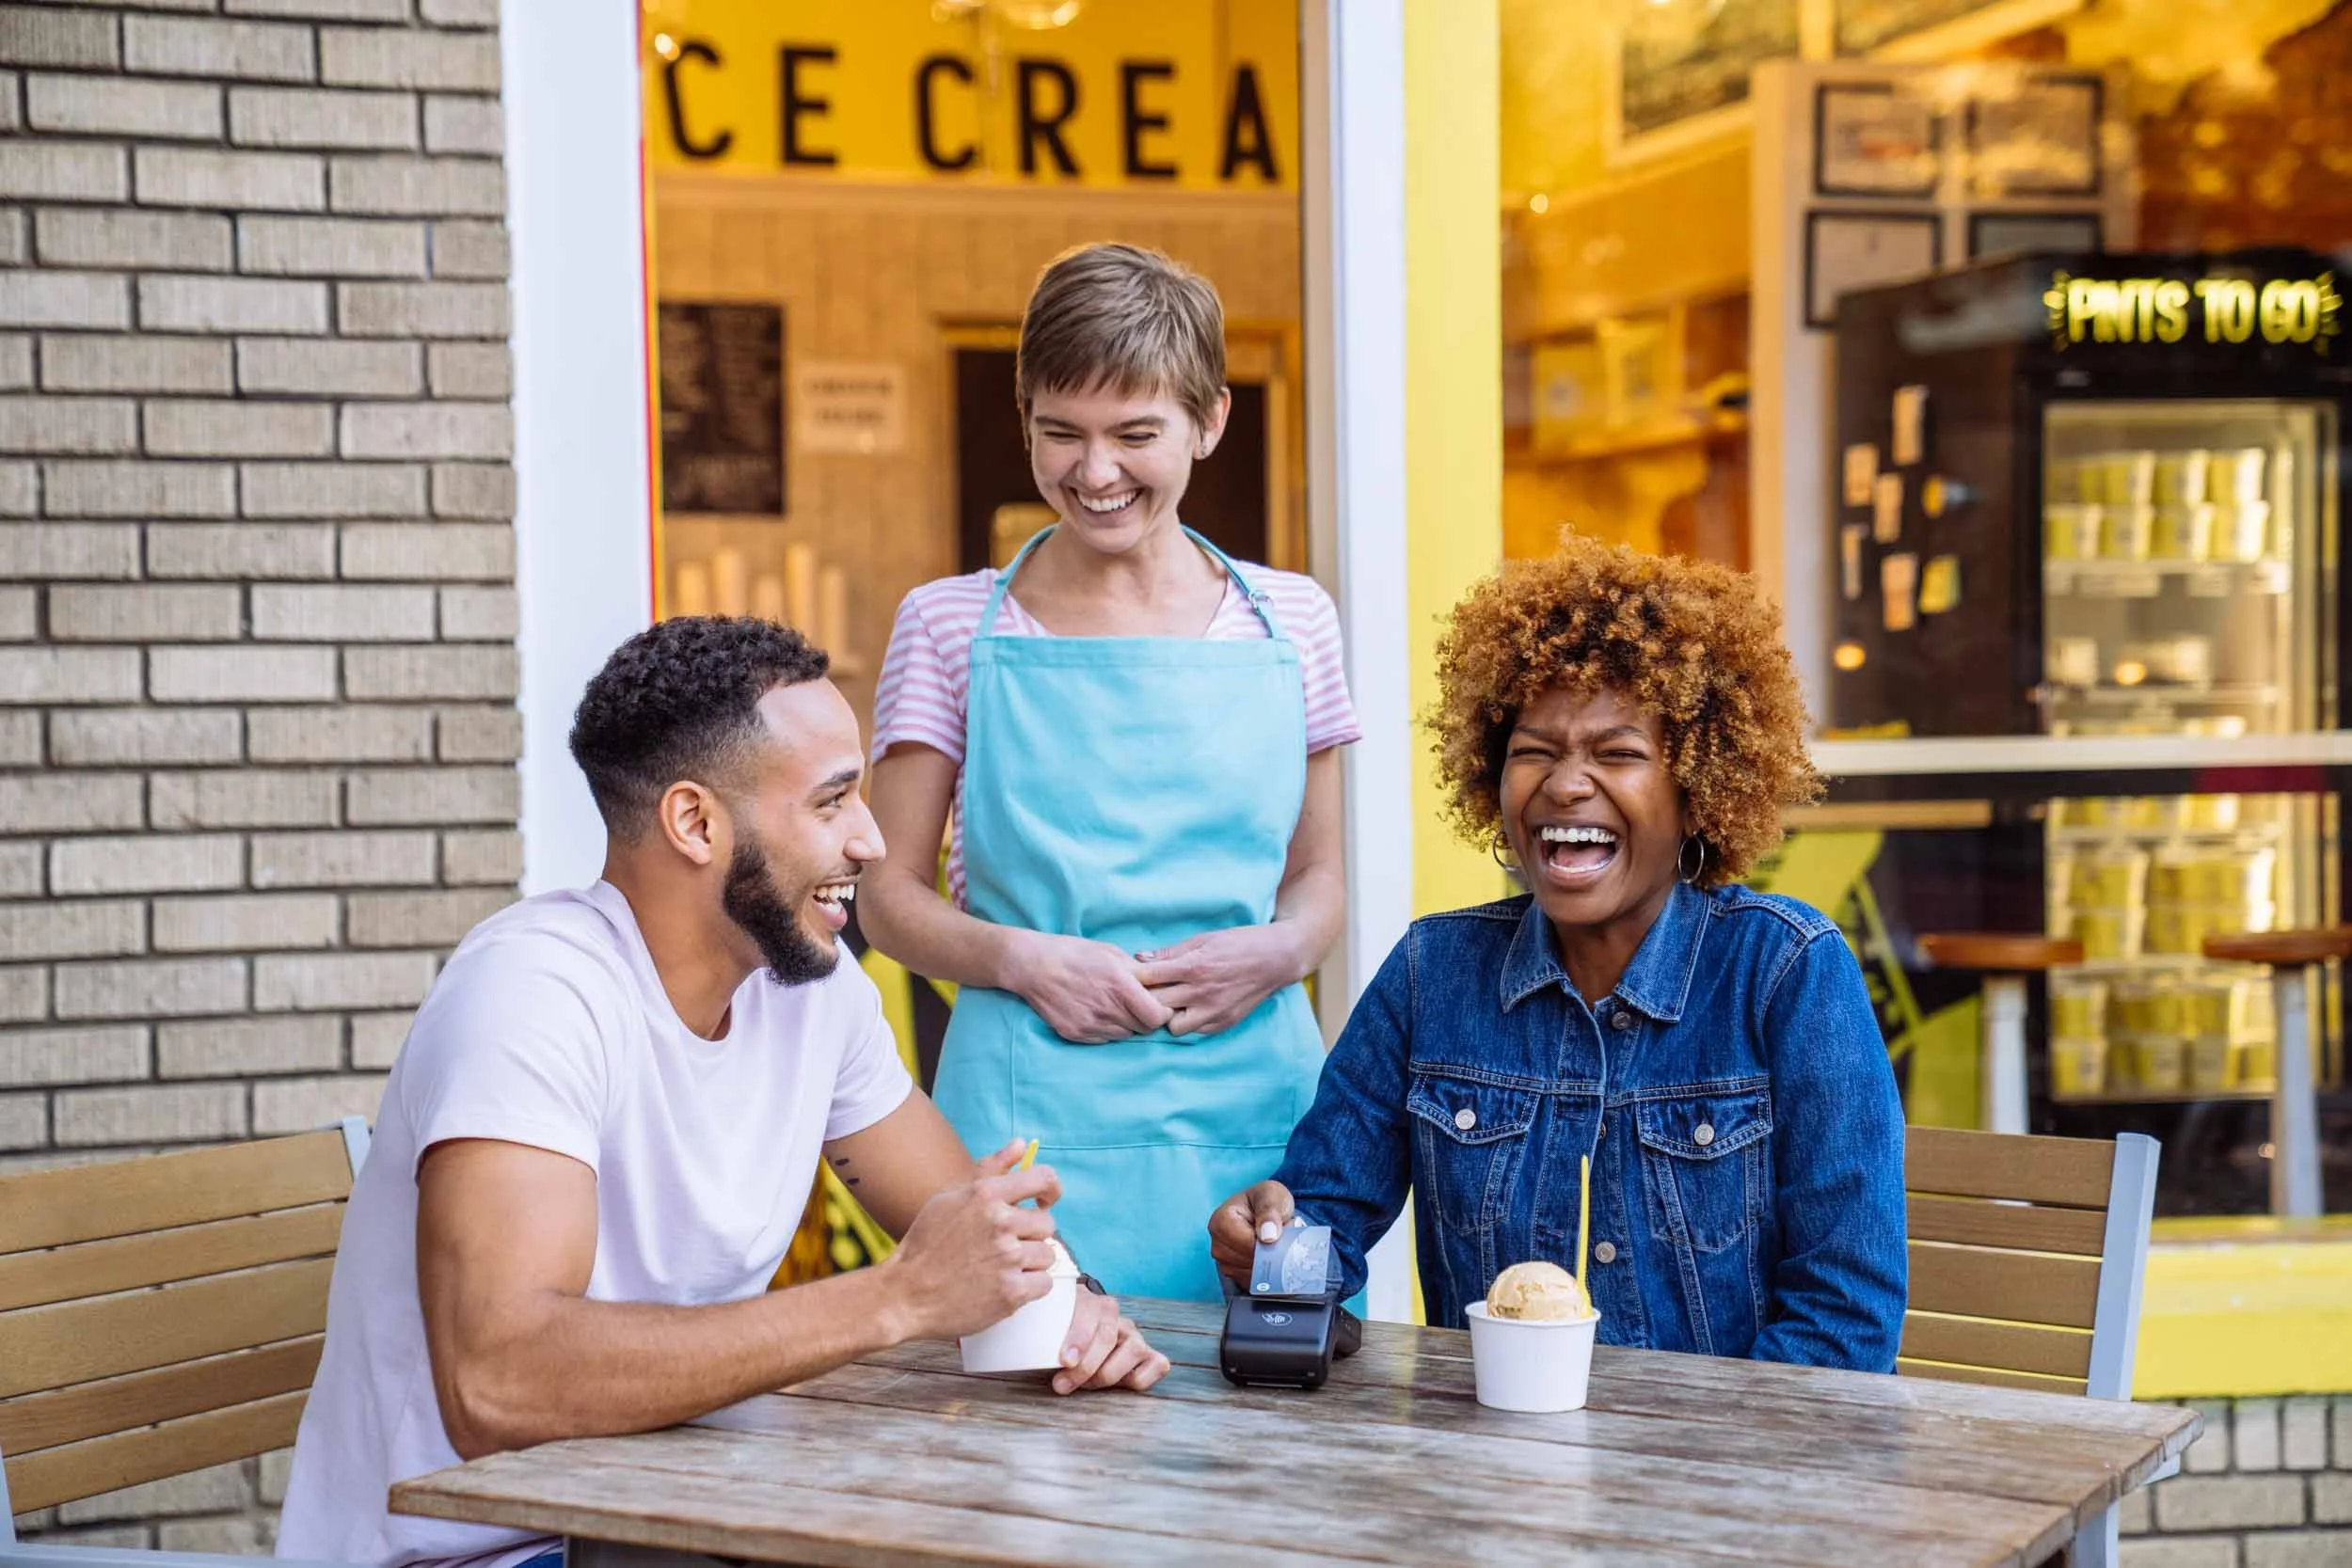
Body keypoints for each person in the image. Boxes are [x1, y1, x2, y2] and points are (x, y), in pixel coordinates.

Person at [277, 618, 1167, 1568]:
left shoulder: (813, 991)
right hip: (488, 1550)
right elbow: (496, 1380)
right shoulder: (529, 996)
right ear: (695, 822)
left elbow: (966, 1219)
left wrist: (1067, 1301)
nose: (871, 838)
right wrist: (896, 1298)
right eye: (831, 801)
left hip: (671, 1521)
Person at [1210, 538, 1909, 1369]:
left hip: (1727, 1478)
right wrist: (1275, 1252)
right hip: (1495, 1466)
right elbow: (1322, 1215)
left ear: (1698, 790)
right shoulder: (1435, 972)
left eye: (1617, 753)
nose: (1566, 784)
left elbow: (1846, 1318)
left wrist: (1695, 1469)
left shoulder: (1784, 972)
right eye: (1534, 751)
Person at [859, 243, 1359, 1303]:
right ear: (1025, 416)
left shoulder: (1293, 619)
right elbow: (884, 895)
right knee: (1033, 1440)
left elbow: (1320, 880)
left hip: (1254, 1113)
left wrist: (1272, 953)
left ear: (1209, 420)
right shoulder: (948, 625)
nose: (1094, 472)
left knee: (1275, 1424)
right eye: (1060, 433)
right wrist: (1027, 960)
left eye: (1135, 435)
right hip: (1026, 1116)